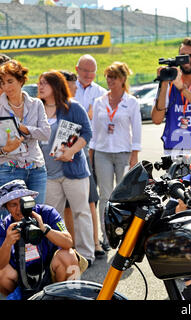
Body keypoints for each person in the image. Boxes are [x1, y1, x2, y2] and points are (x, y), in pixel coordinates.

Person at [37, 70, 96, 266]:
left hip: (74, 172)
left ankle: (86, 255)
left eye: (44, 83)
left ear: (56, 86)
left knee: (81, 213)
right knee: (54, 216)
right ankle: (58, 257)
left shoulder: (72, 107)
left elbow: (87, 133)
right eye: (39, 83)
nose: (40, 86)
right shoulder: (37, 109)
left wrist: (71, 151)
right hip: (48, 174)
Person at [0, 180, 88, 299]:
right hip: (21, 277)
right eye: (13, 205)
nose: (19, 209)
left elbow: (68, 242)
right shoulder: (5, 225)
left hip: (51, 271)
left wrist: (45, 229)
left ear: (30, 200)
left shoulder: (46, 212)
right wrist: (8, 242)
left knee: (69, 256)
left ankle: (67, 296)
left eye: (22, 202)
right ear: (6, 208)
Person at [89, 61, 142, 250]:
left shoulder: (132, 102)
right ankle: (106, 235)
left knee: (123, 197)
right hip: (102, 152)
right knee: (105, 196)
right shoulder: (99, 101)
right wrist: (91, 153)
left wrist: (134, 154)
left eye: (113, 77)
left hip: (123, 153)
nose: (109, 80)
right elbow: (94, 132)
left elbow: (136, 130)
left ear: (122, 79)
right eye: (107, 77)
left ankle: (125, 234)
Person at [60, 70, 105, 258]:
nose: (72, 89)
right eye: (69, 85)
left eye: (73, 85)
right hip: (60, 164)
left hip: (82, 159)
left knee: (89, 203)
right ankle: (72, 245)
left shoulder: (77, 104)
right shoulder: (53, 106)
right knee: (67, 208)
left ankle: (95, 244)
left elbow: (87, 132)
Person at [0, 60, 50, 206]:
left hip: (36, 168)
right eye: (2, 82)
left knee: (35, 215)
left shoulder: (36, 104)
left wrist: (25, 129)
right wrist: (5, 150)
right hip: (8, 169)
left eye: (10, 81)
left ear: (21, 81)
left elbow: (46, 133)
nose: (6, 87)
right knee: (9, 221)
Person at [74, 55, 107, 252]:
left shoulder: (101, 93)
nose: (88, 75)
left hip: (96, 149)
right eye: (85, 70)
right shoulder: (68, 89)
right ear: (77, 69)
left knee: (93, 197)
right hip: (74, 150)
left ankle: (96, 240)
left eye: (92, 71)